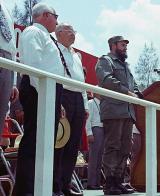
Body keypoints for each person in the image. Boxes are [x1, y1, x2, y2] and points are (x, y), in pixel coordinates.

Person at [13, 3, 65, 195]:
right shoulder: (33, 31)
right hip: (38, 88)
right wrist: (45, 94)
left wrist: (55, 99)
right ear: (45, 15)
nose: (57, 21)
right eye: (55, 15)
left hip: (48, 89)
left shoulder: (46, 37)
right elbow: (34, 65)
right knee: (34, 140)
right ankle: (26, 190)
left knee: (46, 142)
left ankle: (40, 187)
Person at [96, 35, 143, 195]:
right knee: (113, 146)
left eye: (125, 45)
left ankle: (119, 181)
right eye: (122, 44)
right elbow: (107, 80)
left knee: (125, 148)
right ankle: (109, 183)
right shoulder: (105, 61)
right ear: (113, 45)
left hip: (128, 112)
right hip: (114, 110)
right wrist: (128, 93)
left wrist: (139, 94)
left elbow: (133, 85)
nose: (125, 47)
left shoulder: (126, 66)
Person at [54, 23, 88, 196]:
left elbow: (81, 81)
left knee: (73, 145)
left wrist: (85, 104)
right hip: (63, 95)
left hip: (77, 98)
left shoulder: (76, 55)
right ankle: (55, 186)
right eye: (69, 31)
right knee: (60, 142)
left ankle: (66, 185)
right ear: (58, 33)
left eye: (74, 31)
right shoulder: (54, 48)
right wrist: (57, 100)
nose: (73, 34)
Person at [0, 0, 19, 140]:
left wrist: (13, 82)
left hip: (7, 60)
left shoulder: (6, 9)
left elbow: (12, 45)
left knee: (1, 112)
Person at [86, 92, 104, 190]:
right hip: (95, 128)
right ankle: (91, 183)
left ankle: (97, 182)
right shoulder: (91, 103)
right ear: (96, 93)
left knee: (99, 158)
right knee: (93, 157)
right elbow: (88, 119)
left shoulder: (103, 104)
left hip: (103, 129)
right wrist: (89, 133)